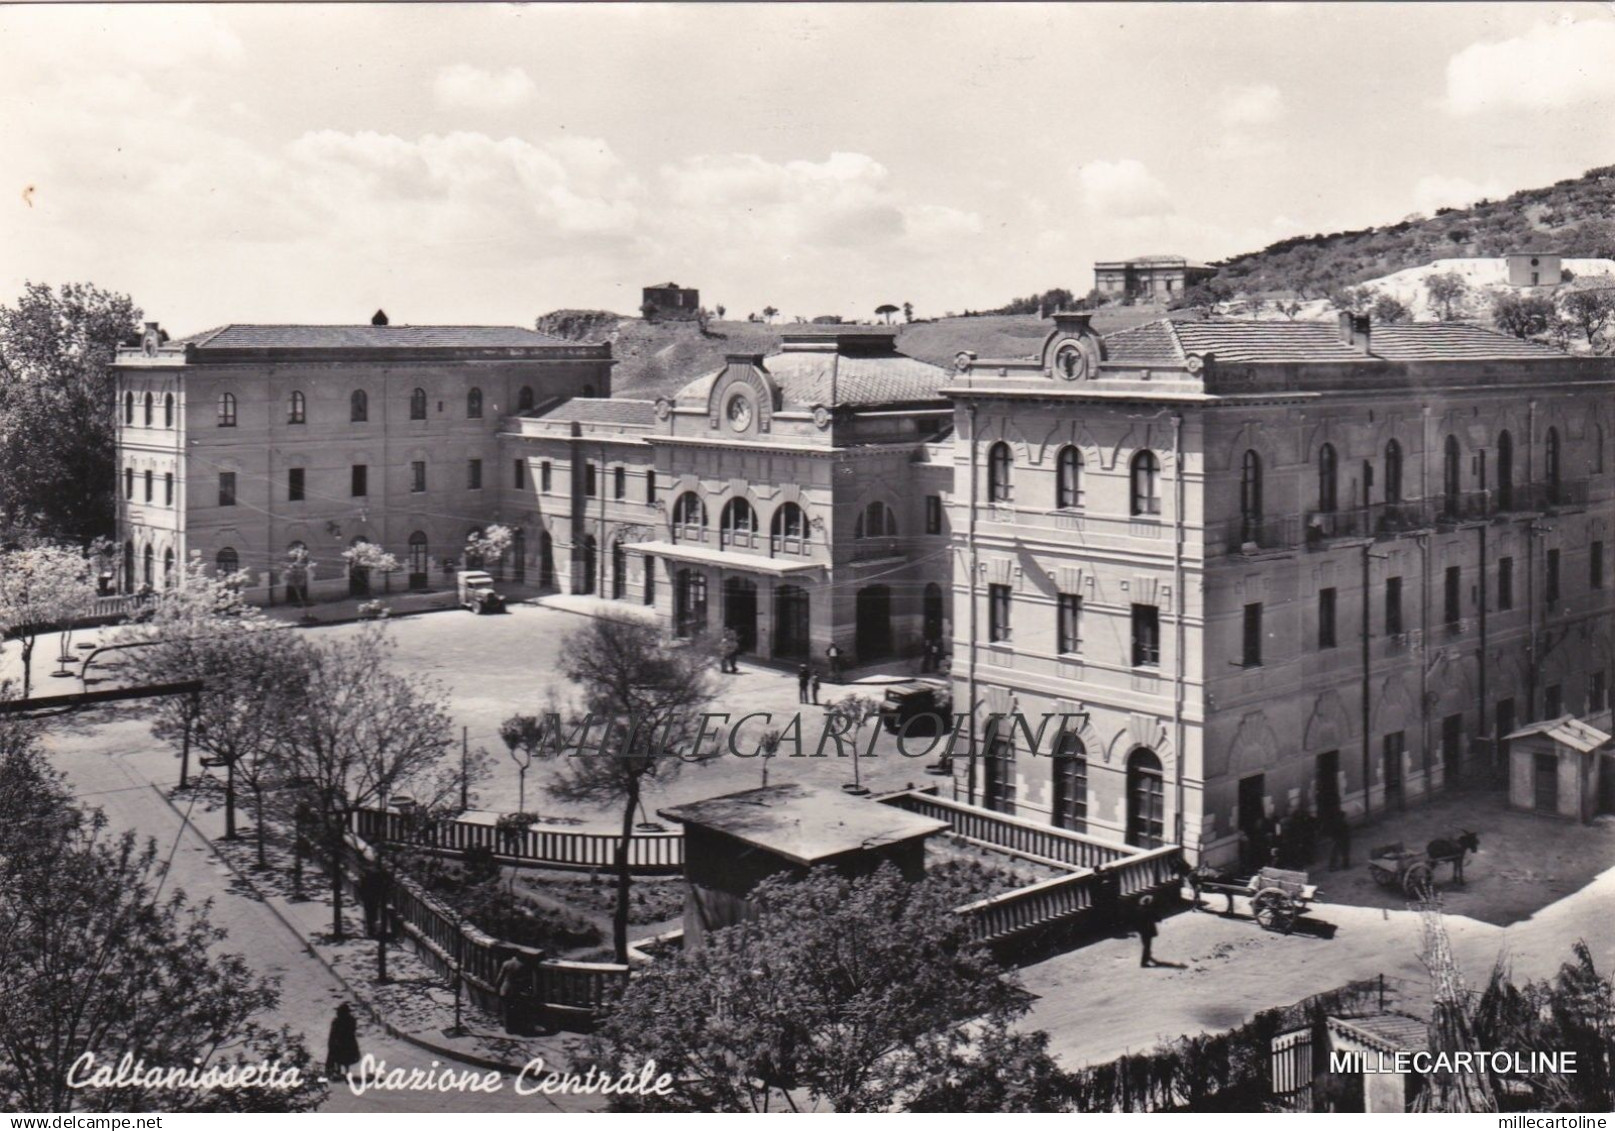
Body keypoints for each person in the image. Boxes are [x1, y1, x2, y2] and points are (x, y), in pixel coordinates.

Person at [496, 951, 529, 1035]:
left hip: (505, 987)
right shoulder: (521, 965)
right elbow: (524, 980)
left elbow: (500, 977)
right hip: (515, 989)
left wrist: (497, 986)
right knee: (513, 1008)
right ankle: (513, 1027)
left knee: (505, 1008)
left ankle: (507, 1028)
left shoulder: (506, 963)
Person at [325, 1004, 361, 1079]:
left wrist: (332, 1041)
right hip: (349, 1041)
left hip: (340, 1041)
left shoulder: (337, 1021)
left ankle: (337, 1070)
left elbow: (333, 1032)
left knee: (338, 1055)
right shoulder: (351, 1020)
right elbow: (352, 1030)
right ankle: (346, 1070)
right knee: (346, 1057)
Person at [358, 863, 387, 939]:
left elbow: (361, 887)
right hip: (374, 896)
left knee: (368, 912)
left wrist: (361, 895)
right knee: (373, 912)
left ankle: (370, 930)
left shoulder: (365, 876)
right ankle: (372, 929)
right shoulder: (377, 875)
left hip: (368, 896)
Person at [1135, 896, 1159, 967]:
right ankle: (1144, 962)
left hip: (1142, 930)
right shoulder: (1148, 910)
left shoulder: (1139, 909)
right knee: (1147, 945)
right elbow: (1155, 917)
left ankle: (1148, 956)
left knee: (1146, 944)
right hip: (1148, 930)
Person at [1324, 806, 1351, 870]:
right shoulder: (1340, 819)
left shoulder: (1335, 818)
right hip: (1340, 836)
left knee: (1338, 851)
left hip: (1340, 836)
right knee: (1341, 850)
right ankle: (1343, 864)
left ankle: (1337, 865)